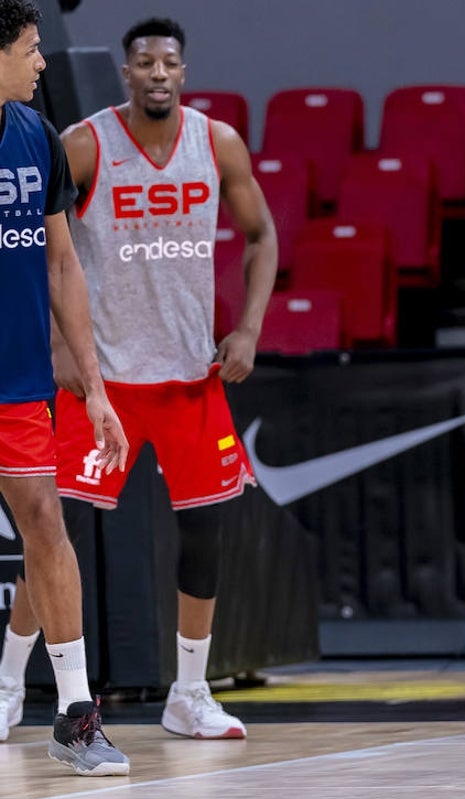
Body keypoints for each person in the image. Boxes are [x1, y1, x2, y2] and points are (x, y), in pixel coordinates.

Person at [0, 16, 277, 740]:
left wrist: (247, 327)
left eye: (169, 62)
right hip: (110, 378)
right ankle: (6, 683)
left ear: (184, 71)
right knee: (49, 531)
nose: (157, 72)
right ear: (126, 72)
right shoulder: (84, 144)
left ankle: (189, 693)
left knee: (205, 535)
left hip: (190, 373)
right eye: (144, 62)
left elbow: (262, 234)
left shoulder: (216, 143)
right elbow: (47, 250)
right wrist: (66, 349)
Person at [0, 0, 131, 775]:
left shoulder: (37, 136)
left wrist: (94, 384)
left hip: (19, 385)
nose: (42, 61)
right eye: (29, 48)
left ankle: (75, 716)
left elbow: (61, 266)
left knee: (46, 524)